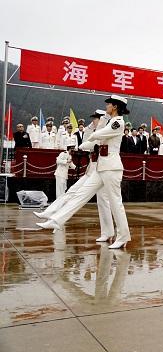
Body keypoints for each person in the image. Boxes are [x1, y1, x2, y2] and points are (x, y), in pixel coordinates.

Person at [36, 95, 132, 249]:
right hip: (101, 167)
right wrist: (82, 144)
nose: (106, 107)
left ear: (114, 107)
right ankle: (56, 221)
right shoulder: (109, 121)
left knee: (115, 203)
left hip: (112, 168)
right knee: (80, 195)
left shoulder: (118, 123)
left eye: (108, 105)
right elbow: (97, 135)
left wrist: (95, 132)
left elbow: (98, 134)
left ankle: (123, 236)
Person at [34, 109, 115, 242]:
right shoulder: (96, 131)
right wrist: (92, 127)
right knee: (73, 193)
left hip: (101, 171)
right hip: (92, 170)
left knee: (100, 201)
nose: (93, 121)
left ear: (102, 120)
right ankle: (50, 213)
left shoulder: (105, 133)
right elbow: (85, 140)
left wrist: (99, 126)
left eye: (95, 118)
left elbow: (86, 145)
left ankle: (108, 232)